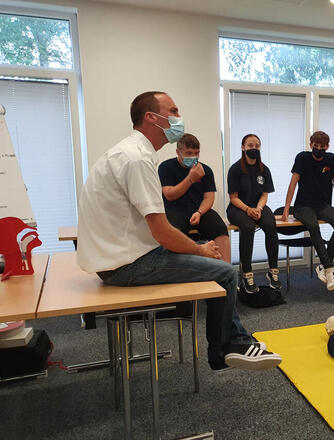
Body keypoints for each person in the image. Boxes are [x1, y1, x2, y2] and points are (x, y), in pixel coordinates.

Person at [77, 91, 281, 371]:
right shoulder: (138, 159)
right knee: (224, 271)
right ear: (152, 117)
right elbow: (162, 232)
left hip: (115, 258)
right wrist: (200, 250)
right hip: (127, 264)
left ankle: (233, 341)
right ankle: (229, 347)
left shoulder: (126, 152)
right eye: (173, 111)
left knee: (212, 258)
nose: (178, 117)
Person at [280, 131, 334, 291]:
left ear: (327, 146)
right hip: (303, 206)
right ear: (311, 144)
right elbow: (293, 183)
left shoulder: (331, 159)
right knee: (313, 225)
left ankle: (324, 266)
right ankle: (329, 268)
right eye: (316, 145)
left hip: (323, 205)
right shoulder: (302, 158)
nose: (319, 149)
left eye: (322, 146)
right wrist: (286, 207)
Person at [158, 133, 230, 263]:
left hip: (199, 210)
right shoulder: (166, 167)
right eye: (189, 153)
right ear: (178, 152)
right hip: (174, 210)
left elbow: (209, 198)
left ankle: (226, 269)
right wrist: (190, 179)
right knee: (173, 232)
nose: (193, 157)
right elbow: (169, 195)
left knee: (220, 227)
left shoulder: (205, 170)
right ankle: (177, 270)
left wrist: (199, 212)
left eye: (196, 153)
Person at [226, 133, 281, 293]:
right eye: (250, 145)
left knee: (270, 224)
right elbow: (233, 197)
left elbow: (264, 195)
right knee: (248, 227)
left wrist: (258, 209)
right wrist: (248, 210)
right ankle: (247, 274)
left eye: (257, 145)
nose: (254, 148)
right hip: (238, 208)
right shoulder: (235, 169)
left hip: (258, 206)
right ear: (243, 147)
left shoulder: (264, 170)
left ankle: (273, 271)